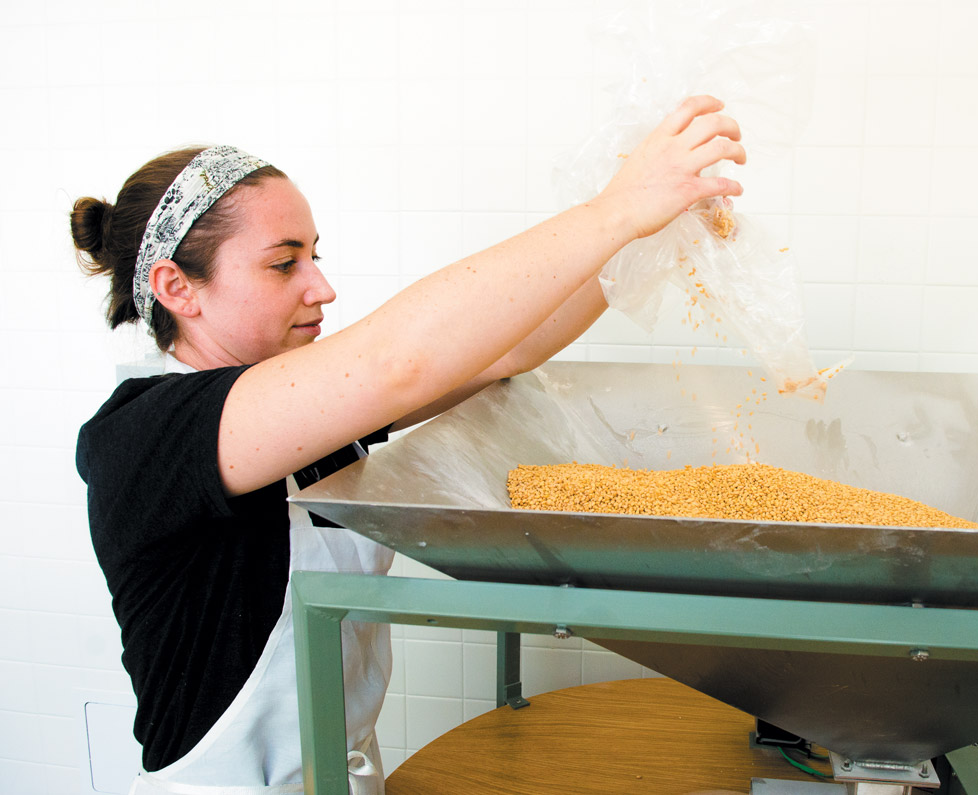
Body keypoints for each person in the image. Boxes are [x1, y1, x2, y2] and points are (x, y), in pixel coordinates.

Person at [71, 96, 745, 794]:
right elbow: (397, 363)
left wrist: (642, 238)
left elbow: (500, 350)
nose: (322, 287)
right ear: (177, 287)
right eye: (283, 264)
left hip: (342, 773)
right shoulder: (145, 433)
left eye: (316, 255)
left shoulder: (298, 403)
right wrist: (613, 210)